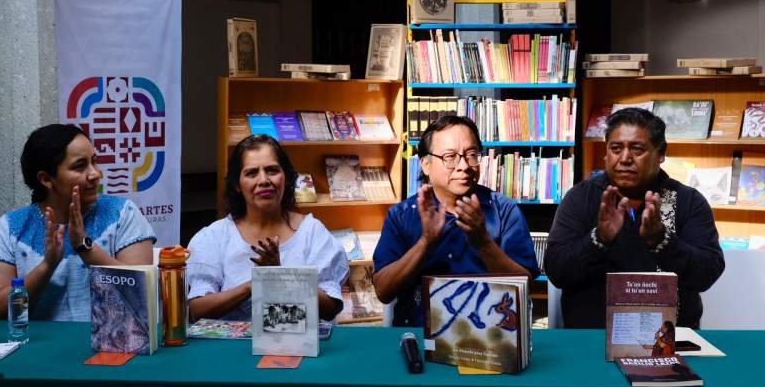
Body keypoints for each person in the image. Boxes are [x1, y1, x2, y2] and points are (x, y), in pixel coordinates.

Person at [545, 107, 725, 328]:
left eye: (637, 149)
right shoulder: (582, 198)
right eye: (616, 148)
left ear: (661, 153)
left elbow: (706, 274)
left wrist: (662, 240)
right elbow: (556, 271)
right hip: (592, 339)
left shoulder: (687, 200)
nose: (625, 158)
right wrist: (598, 239)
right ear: (606, 152)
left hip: (670, 339)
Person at [373, 115, 540, 327]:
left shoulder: (504, 210)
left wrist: (483, 243)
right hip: (421, 333)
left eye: (471, 155)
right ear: (425, 164)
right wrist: (425, 242)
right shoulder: (402, 215)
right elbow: (383, 291)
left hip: (489, 335)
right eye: (450, 157)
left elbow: (525, 286)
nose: (464, 166)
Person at [0, 124, 156, 321]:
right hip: (37, 348)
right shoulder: (10, 228)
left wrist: (85, 248)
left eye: (94, 161)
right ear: (46, 179)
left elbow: (141, 291)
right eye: (80, 166)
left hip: (111, 347)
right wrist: (47, 267)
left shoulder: (122, 213)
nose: (95, 174)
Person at [186, 134, 349, 322]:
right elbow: (197, 310)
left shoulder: (312, 232)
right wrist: (254, 284)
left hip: (296, 349)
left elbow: (330, 308)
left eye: (272, 170)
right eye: (251, 173)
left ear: (286, 178)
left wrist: (279, 276)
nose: (263, 180)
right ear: (237, 185)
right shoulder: (214, 237)